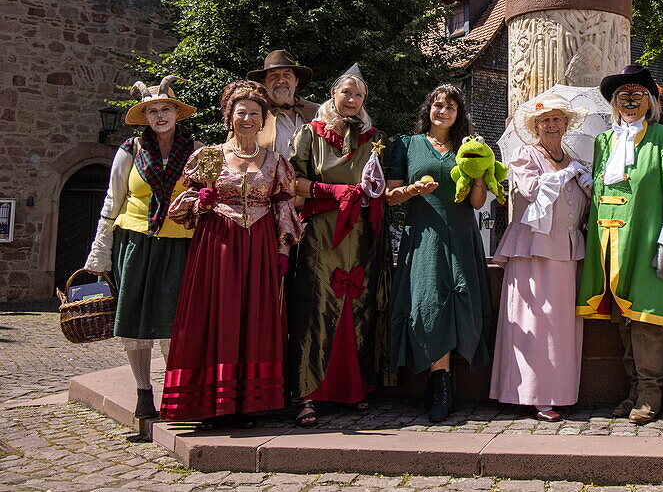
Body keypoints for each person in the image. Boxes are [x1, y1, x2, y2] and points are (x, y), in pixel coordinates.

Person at [162, 80, 303, 427]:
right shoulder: (208, 157)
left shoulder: (275, 162)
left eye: (254, 114)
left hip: (259, 247)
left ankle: (247, 404)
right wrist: (201, 201)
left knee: (252, 317)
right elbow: (179, 208)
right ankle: (210, 402)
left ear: (262, 120)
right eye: (241, 113)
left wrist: (283, 249)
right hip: (216, 245)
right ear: (229, 117)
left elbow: (283, 205)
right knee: (215, 315)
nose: (247, 119)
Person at [576, 64, 663, 425]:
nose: (629, 101)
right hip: (608, 243)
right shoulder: (603, 142)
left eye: (637, 94)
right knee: (622, 319)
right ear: (614, 103)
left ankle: (650, 391)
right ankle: (632, 388)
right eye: (623, 95)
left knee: (647, 319)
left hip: (644, 242)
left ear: (650, 101)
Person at [83, 76, 201, 420]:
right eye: (152, 111)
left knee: (172, 321)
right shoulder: (130, 150)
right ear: (145, 116)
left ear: (177, 113)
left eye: (166, 109)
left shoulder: (195, 151)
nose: (160, 115)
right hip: (134, 242)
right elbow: (113, 199)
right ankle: (143, 393)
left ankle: (173, 393)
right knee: (134, 320)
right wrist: (99, 252)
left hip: (179, 244)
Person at [288, 65, 392, 428]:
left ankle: (354, 387)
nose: (352, 99)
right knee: (318, 305)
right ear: (333, 95)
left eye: (359, 95)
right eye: (346, 92)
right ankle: (307, 393)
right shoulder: (310, 134)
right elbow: (291, 183)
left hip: (361, 233)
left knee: (357, 305)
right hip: (322, 232)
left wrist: (376, 191)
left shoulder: (373, 139)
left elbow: (379, 182)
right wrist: (329, 191)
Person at [385, 84, 491, 423]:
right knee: (428, 304)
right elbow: (388, 195)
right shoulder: (407, 144)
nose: (442, 111)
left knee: (459, 303)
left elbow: (477, 204)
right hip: (423, 237)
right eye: (437, 104)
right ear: (428, 109)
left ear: (459, 115)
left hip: (461, 235)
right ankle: (440, 380)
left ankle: (441, 382)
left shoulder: (468, 148)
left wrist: (478, 176)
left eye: (451, 107)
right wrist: (413, 189)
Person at [490, 94, 592, 421]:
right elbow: (531, 190)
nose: (551, 124)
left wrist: (589, 184)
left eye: (557, 119)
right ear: (535, 126)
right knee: (535, 320)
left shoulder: (574, 158)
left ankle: (560, 391)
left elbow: (580, 209)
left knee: (562, 324)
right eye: (544, 120)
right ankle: (531, 393)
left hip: (566, 249)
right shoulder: (526, 154)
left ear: (566, 125)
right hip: (533, 249)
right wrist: (566, 175)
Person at [248, 50, 320, 159]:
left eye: (287, 75)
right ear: (264, 83)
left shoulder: (317, 112)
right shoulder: (251, 115)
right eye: (274, 75)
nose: (281, 80)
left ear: (296, 81)